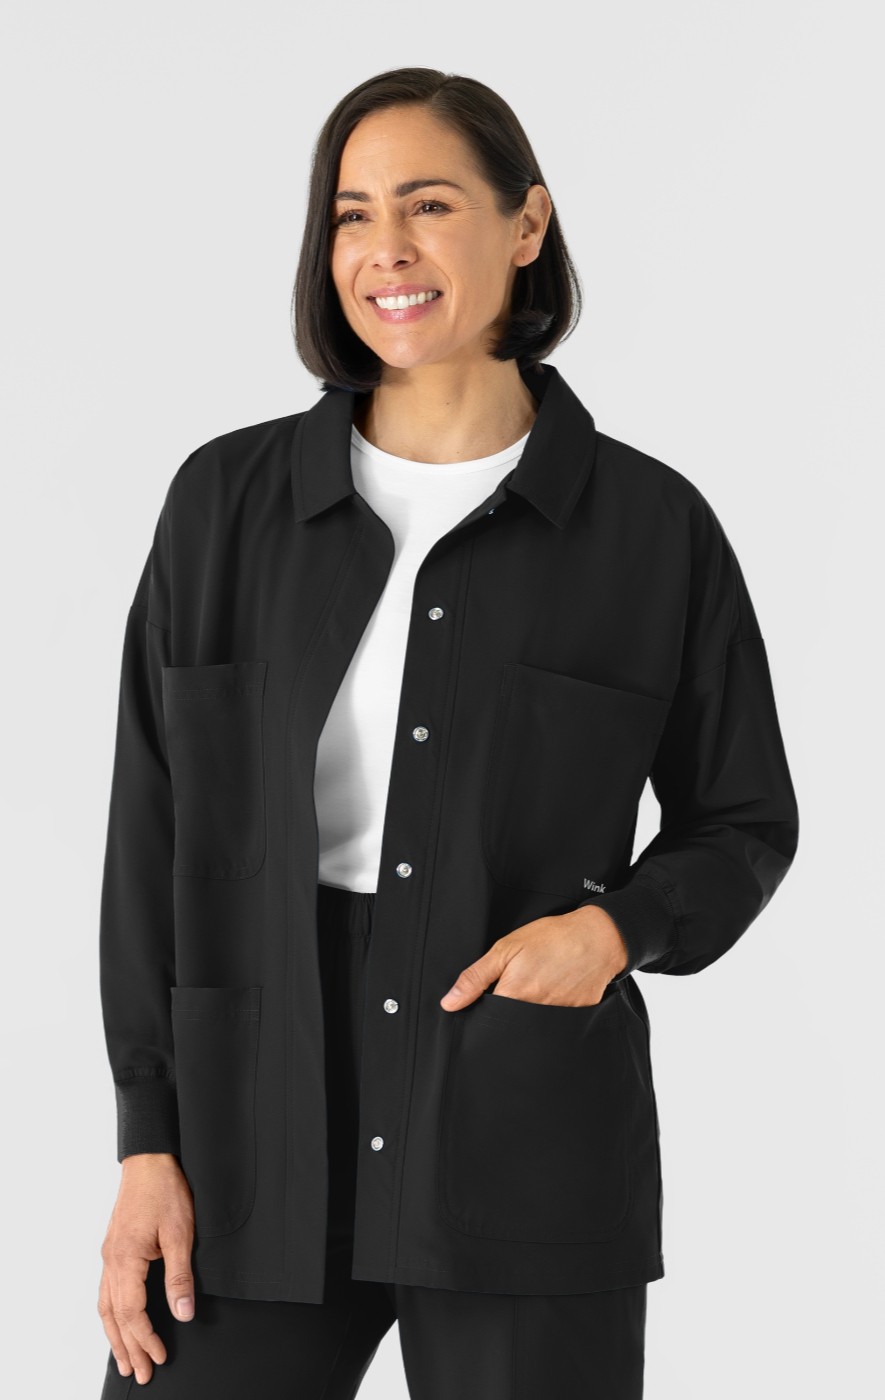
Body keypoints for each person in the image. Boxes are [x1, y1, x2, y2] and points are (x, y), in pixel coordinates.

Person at [96, 67, 799, 1398]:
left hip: (521, 1134)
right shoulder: (226, 505)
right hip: (254, 1136)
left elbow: (743, 820)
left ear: (526, 224)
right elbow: (153, 836)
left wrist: (614, 932)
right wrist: (148, 1142)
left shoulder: (650, 532)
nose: (387, 250)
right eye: (352, 215)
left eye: (428, 205)